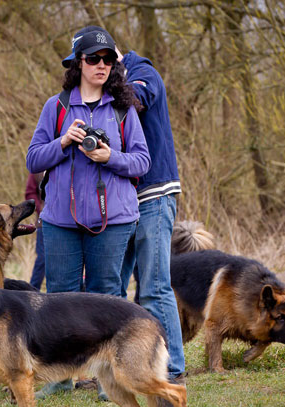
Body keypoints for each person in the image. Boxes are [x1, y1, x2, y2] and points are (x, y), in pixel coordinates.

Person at [26, 26, 150, 399]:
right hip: (61, 220)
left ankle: (106, 379)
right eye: (93, 58)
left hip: (114, 220)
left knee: (106, 296)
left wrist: (108, 156)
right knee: (59, 297)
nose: (101, 65)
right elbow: (33, 158)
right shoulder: (57, 106)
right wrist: (63, 141)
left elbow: (142, 161)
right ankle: (59, 376)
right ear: (78, 62)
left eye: (108, 60)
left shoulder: (125, 109)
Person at [117, 47, 186, 384]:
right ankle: (119, 366)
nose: (98, 66)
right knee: (113, 286)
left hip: (154, 194)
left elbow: (136, 97)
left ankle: (172, 368)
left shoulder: (141, 71)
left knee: (154, 286)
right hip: (122, 202)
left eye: (104, 58)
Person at [25, 172, 45, 290]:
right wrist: (41, 209)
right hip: (43, 223)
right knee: (42, 259)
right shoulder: (38, 168)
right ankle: (32, 291)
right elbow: (30, 193)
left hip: (71, 224)